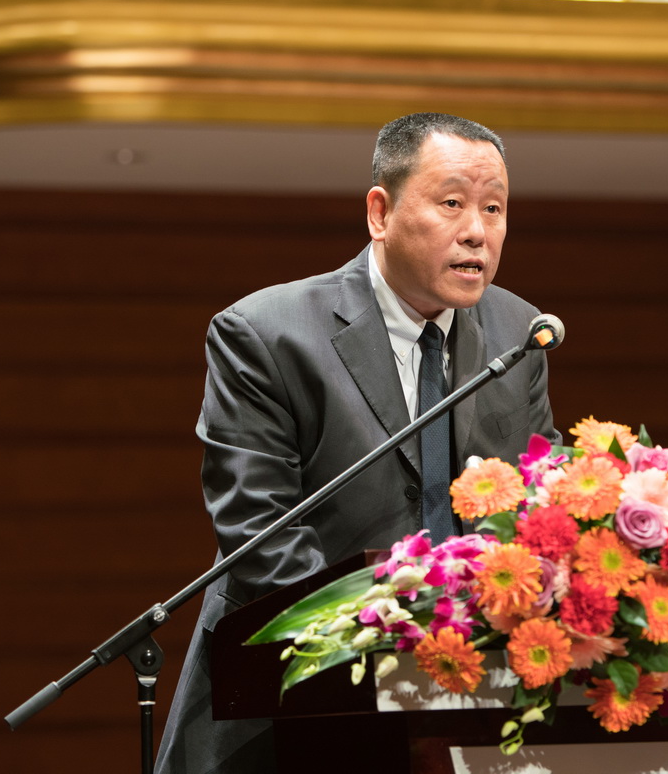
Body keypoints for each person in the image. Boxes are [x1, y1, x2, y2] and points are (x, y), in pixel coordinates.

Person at [155, 112, 559, 774]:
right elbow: (260, 534)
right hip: (294, 701)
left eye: (494, 208)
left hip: (477, 705)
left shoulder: (520, 331)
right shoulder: (267, 335)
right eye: (452, 203)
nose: (477, 231)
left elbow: (541, 506)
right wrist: (392, 643)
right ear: (380, 212)